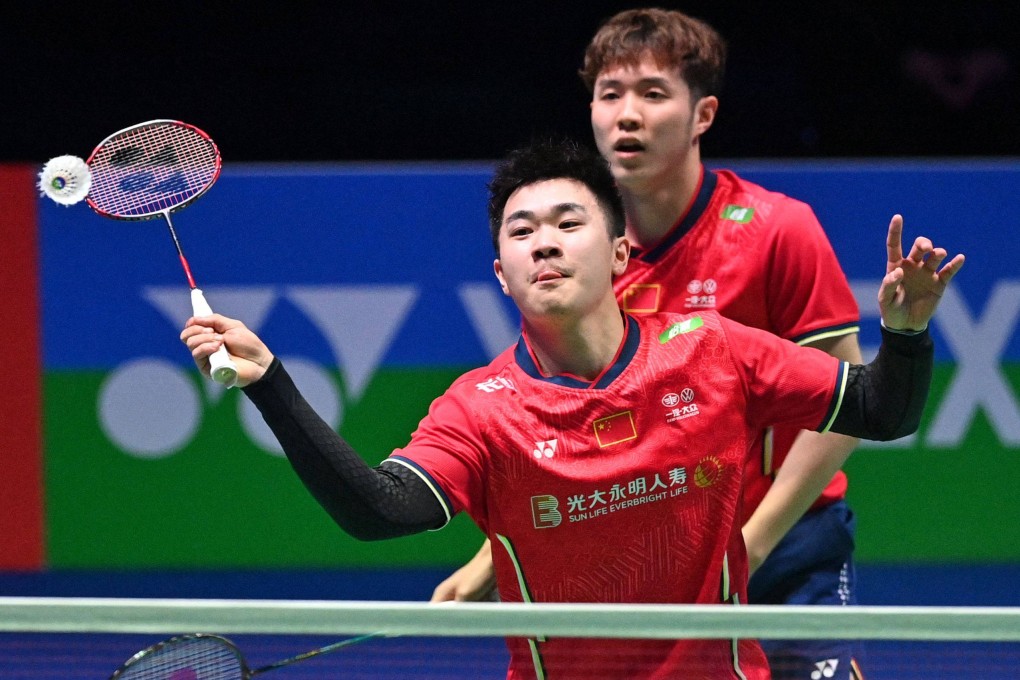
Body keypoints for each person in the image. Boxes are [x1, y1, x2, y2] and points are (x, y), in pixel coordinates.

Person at [182, 139, 963, 680]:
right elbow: (382, 510)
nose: (544, 244)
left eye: (568, 223)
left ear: (620, 254)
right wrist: (271, 383)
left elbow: (879, 410)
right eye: (522, 233)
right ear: (501, 273)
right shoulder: (481, 408)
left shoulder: (714, 350)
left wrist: (905, 331)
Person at [431, 8, 873, 678]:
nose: (626, 115)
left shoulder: (776, 231)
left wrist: (748, 549)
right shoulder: (582, 270)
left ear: (704, 115)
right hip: (664, 557)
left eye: (653, 93)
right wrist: (483, 566)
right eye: (610, 95)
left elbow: (847, 407)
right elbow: (571, 443)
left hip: (786, 545)